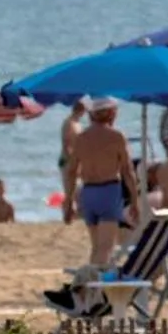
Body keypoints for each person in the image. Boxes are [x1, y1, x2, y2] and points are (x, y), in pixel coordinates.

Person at [64, 98, 140, 266]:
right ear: (111, 114)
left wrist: (68, 201)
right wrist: (135, 200)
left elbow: (71, 171)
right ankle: (96, 287)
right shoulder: (116, 136)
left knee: (97, 247)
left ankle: (90, 287)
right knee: (106, 248)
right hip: (109, 191)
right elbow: (128, 171)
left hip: (88, 193)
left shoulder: (82, 137)